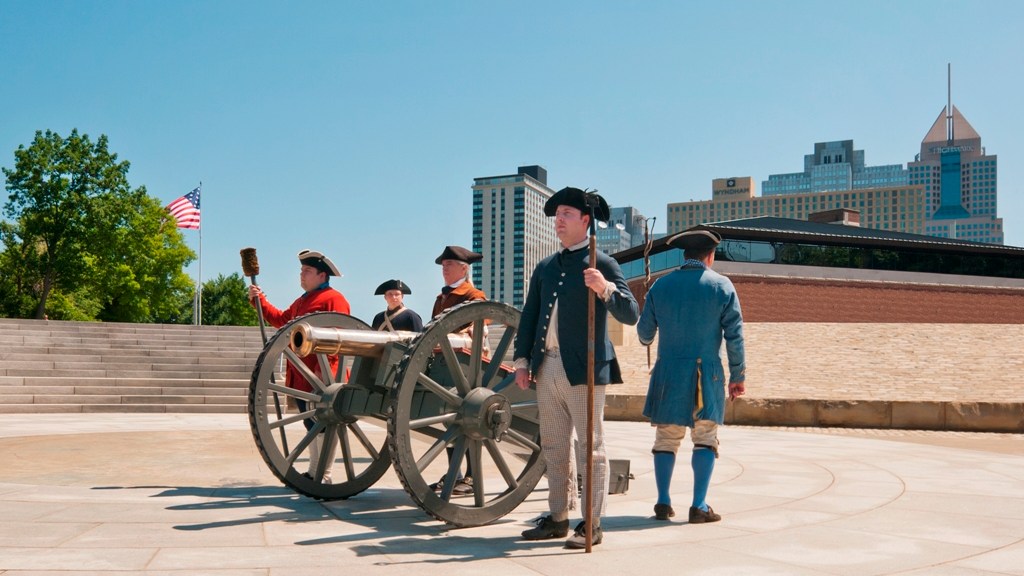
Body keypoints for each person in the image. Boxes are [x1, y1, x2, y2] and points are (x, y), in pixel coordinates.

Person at [514, 187, 639, 549]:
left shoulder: (604, 263)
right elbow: (530, 319)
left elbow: (631, 314)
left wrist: (604, 289)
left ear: (586, 220)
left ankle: (592, 523)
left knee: (591, 448)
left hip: (585, 369)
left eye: (567, 213)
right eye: (558, 215)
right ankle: (557, 518)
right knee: (553, 446)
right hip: (547, 367)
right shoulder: (546, 267)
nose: (560, 220)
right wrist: (523, 362)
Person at [636, 228, 746, 524]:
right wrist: (738, 376)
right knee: (705, 437)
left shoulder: (659, 286)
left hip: (668, 374)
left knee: (666, 438)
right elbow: (735, 337)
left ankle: (662, 501)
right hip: (706, 374)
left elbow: (644, 335)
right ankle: (699, 505)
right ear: (709, 256)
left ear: (684, 256)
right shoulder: (722, 286)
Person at [248, 249, 351, 484]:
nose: (301, 275)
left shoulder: (334, 299)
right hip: (303, 377)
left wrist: (328, 370)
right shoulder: (302, 301)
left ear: (322, 276)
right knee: (311, 424)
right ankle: (315, 472)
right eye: (301, 271)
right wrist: (259, 300)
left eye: (307, 271)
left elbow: (341, 336)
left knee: (325, 425)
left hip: (321, 376)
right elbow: (281, 320)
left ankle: (323, 476)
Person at [428, 245, 486, 496]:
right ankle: (456, 473)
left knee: (469, 421)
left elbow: (478, 325)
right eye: (443, 265)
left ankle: (472, 477)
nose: (444, 269)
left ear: (464, 268)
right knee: (450, 421)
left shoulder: (474, 295)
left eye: (449, 264)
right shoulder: (441, 298)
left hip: (465, 367)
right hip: (444, 365)